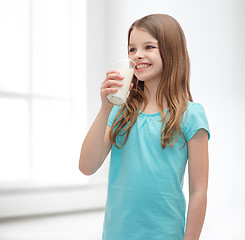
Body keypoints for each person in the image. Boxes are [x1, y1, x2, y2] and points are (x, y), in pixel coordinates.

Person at [79, 13, 210, 240]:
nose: (137, 55)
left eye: (148, 47)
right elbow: (86, 167)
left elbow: (199, 192)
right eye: (132, 49)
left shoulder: (191, 115)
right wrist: (104, 108)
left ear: (171, 51)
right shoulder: (120, 111)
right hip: (117, 234)